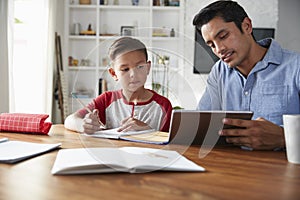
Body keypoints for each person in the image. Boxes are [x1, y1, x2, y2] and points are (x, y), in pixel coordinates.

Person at [193, 0, 300, 150]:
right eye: (211, 45)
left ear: (247, 26)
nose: (219, 49)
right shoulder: (219, 71)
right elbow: (201, 125)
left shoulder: (296, 67)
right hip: (233, 168)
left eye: (223, 36)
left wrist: (284, 137)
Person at [64, 37, 173, 134]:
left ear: (148, 67)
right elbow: (69, 120)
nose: (133, 74)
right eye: (125, 69)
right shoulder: (107, 100)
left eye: (140, 67)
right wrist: (83, 125)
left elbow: (171, 143)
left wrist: (148, 130)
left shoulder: (163, 105)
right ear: (113, 73)